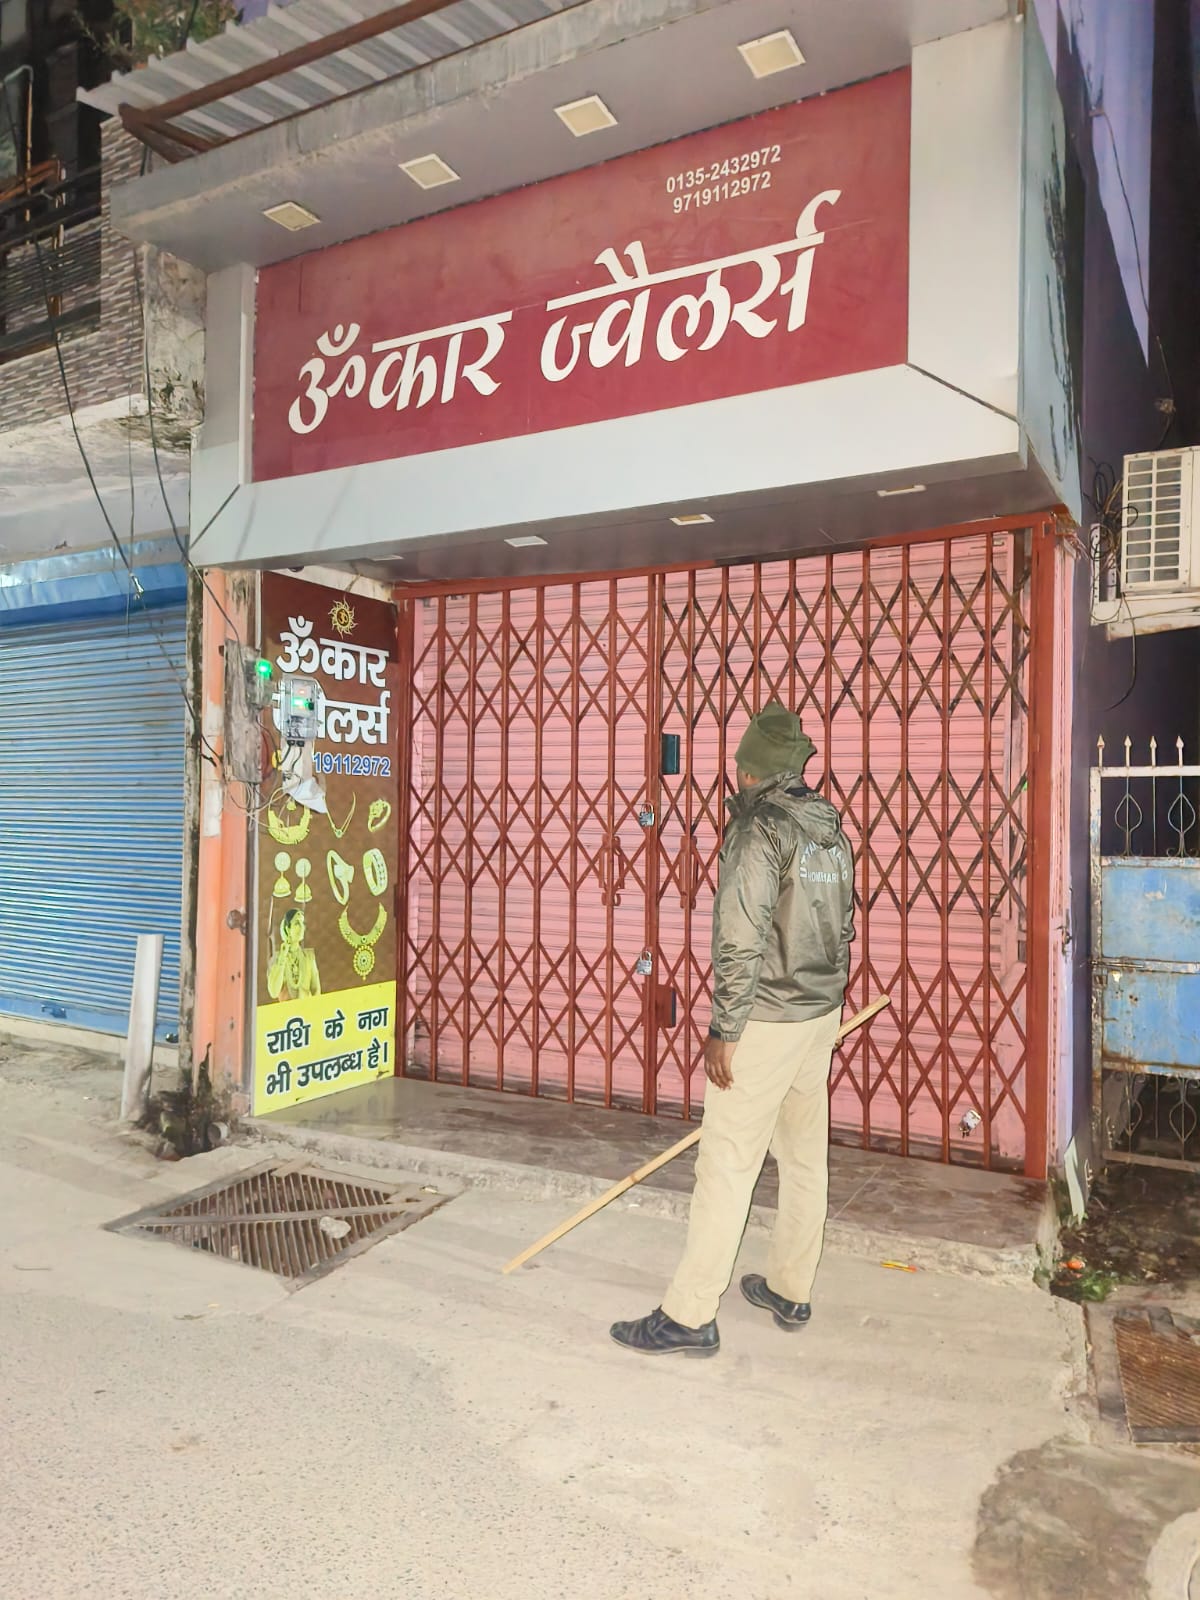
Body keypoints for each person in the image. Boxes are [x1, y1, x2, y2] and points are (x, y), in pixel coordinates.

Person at [611, 703, 855, 1358]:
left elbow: (740, 939)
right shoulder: (827, 827)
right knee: (803, 1159)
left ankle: (689, 1314)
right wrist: (824, 1001)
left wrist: (726, 1027)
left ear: (751, 770)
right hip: (817, 1016)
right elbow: (842, 926)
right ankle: (790, 1289)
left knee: (726, 1162)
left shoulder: (759, 830)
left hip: (768, 1019)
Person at [267, 908, 322, 1001]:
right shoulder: (277, 958)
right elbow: (274, 992)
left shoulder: (309, 957)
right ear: (287, 929)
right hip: (286, 1010)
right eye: (297, 923)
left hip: (307, 1008)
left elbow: (316, 991)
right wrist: (282, 958)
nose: (302, 927)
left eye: (302, 923)